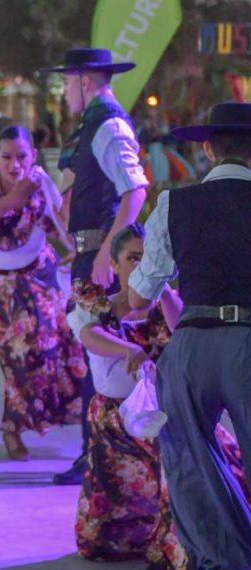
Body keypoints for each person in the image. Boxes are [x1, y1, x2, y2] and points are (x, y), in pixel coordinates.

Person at [70, 224, 247, 567]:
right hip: (116, 419)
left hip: (167, 413)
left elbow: (184, 329)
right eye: (132, 259)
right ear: (115, 264)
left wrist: (161, 289)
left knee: (204, 466)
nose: (139, 267)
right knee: (104, 536)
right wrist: (128, 349)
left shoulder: (170, 305)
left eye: (146, 259)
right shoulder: (95, 305)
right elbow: (89, 336)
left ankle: (186, 542)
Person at [129, 102, 251, 566]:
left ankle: (224, 558)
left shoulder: (174, 204)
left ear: (208, 150)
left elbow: (141, 294)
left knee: (190, 462)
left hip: (193, 342)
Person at [43, 47, 150, 485]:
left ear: (85, 81)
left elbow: (136, 190)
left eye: (67, 82)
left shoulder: (108, 125)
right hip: (91, 254)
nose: (64, 90)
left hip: (102, 260)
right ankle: (97, 454)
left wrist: (106, 250)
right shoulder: (94, 124)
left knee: (102, 354)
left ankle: (102, 456)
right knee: (94, 353)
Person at [0, 126, 86, 460]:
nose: (14, 165)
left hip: (38, 275)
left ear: (34, 156)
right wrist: (12, 200)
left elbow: (60, 224)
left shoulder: (39, 181)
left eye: (21, 157)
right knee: (17, 357)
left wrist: (79, 248)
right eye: (6, 157)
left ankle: (75, 422)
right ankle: (12, 430)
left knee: (61, 348)